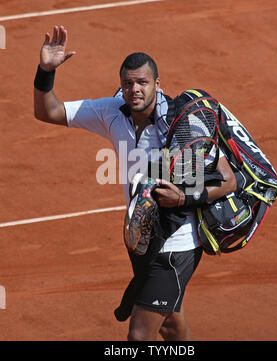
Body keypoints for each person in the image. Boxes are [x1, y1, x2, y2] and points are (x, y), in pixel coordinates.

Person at [34, 25, 237, 341]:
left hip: (178, 243)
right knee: (171, 324)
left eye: (142, 82)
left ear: (158, 84)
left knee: (139, 336)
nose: (135, 90)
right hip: (142, 236)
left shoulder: (182, 125)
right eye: (127, 84)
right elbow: (48, 111)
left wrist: (182, 199)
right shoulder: (111, 112)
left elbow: (228, 181)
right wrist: (46, 71)